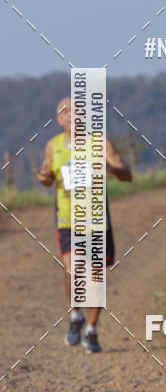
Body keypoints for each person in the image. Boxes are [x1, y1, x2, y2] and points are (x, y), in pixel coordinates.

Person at [35, 97, 132, 352]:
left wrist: (110, 167)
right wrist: (44, 177)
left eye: (78, 111)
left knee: (96, 278)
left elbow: (127, 174)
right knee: (74, 268)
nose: (72, 115)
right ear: (59, 119)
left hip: (98, 222)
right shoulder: (52, 146)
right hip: (68, 221)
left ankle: (91, 329)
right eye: (65, 112)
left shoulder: (100, 142)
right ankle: (75, 312)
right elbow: (48, 178)